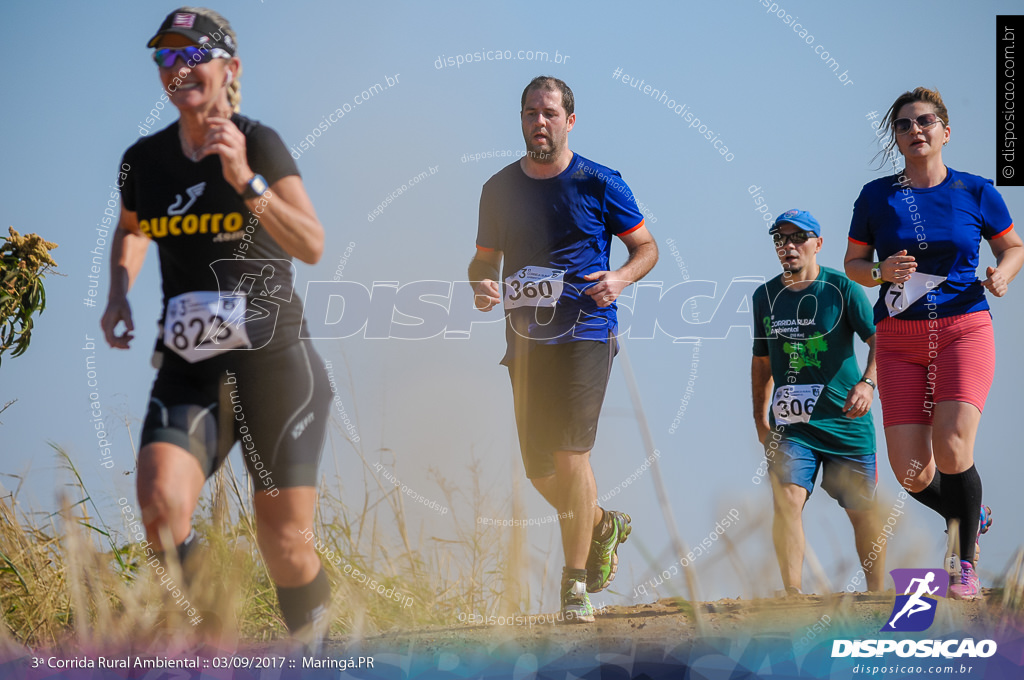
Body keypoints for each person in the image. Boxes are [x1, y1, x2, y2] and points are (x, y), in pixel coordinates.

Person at [100, 7, 333, 646]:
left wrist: (246, 182)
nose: (178, 69)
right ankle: (215, 633)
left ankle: (312, 635)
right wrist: (119, 289)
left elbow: (312, 243)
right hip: (190, 365)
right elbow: (131, 228)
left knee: (284, 540)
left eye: (191, 55)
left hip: (274, 363)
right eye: (165, 58)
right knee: (160, 503)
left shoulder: (259, 142)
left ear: (229, 68)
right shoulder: (142, 159)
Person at [468, 76, 658, 622]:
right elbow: (483, 260)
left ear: (570, 120)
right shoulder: (498, 188)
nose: (540, 122)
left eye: (550, 113)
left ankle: (574, 587)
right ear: (522, 119)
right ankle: (601, 524)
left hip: (587, 331)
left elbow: (646, 248)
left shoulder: (600, 182)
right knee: (539, 469)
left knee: (572, 456)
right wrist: (481, 283)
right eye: (531, 113)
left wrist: (621, 278)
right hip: (525, 339)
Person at [845, 87, 1024, 599]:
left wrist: (1004, 276)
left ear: (946, 130)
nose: (915, 130)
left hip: (962, 328)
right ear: (897, 138)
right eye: (904, 125)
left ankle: (962, 563)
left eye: (925, 121)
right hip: (899, 339)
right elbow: (854, 265)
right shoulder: (877, 196)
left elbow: (1012, 246)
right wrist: (881, 270)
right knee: (911, 472)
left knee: (951, 446)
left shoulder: (975, 191)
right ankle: (971, 510)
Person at [752, 210, 883, 595]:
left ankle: (878, 595)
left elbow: (880, 341)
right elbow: (762, 361)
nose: (788, 246)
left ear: (818, 244)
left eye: (798, 238)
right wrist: (760, 418)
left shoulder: (843, 290)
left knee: (862, 514)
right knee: (787, 500)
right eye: (780, 239)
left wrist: (868, 383)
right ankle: (792, 592)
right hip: (793, 427)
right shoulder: (765, 296)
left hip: (846, 422)